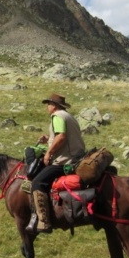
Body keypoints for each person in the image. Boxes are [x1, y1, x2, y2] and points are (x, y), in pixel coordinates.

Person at [26, 93, 86, 234]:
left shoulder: (57, 116)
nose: (47, 107)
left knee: (37, 182)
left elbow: (62, 136)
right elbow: (64, 136)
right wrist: (48, 139)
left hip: (65, 161)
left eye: (49, 104)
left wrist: (48, 153)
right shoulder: (69, 116)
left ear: (54, 106)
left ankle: (44, 221)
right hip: (77, 156)